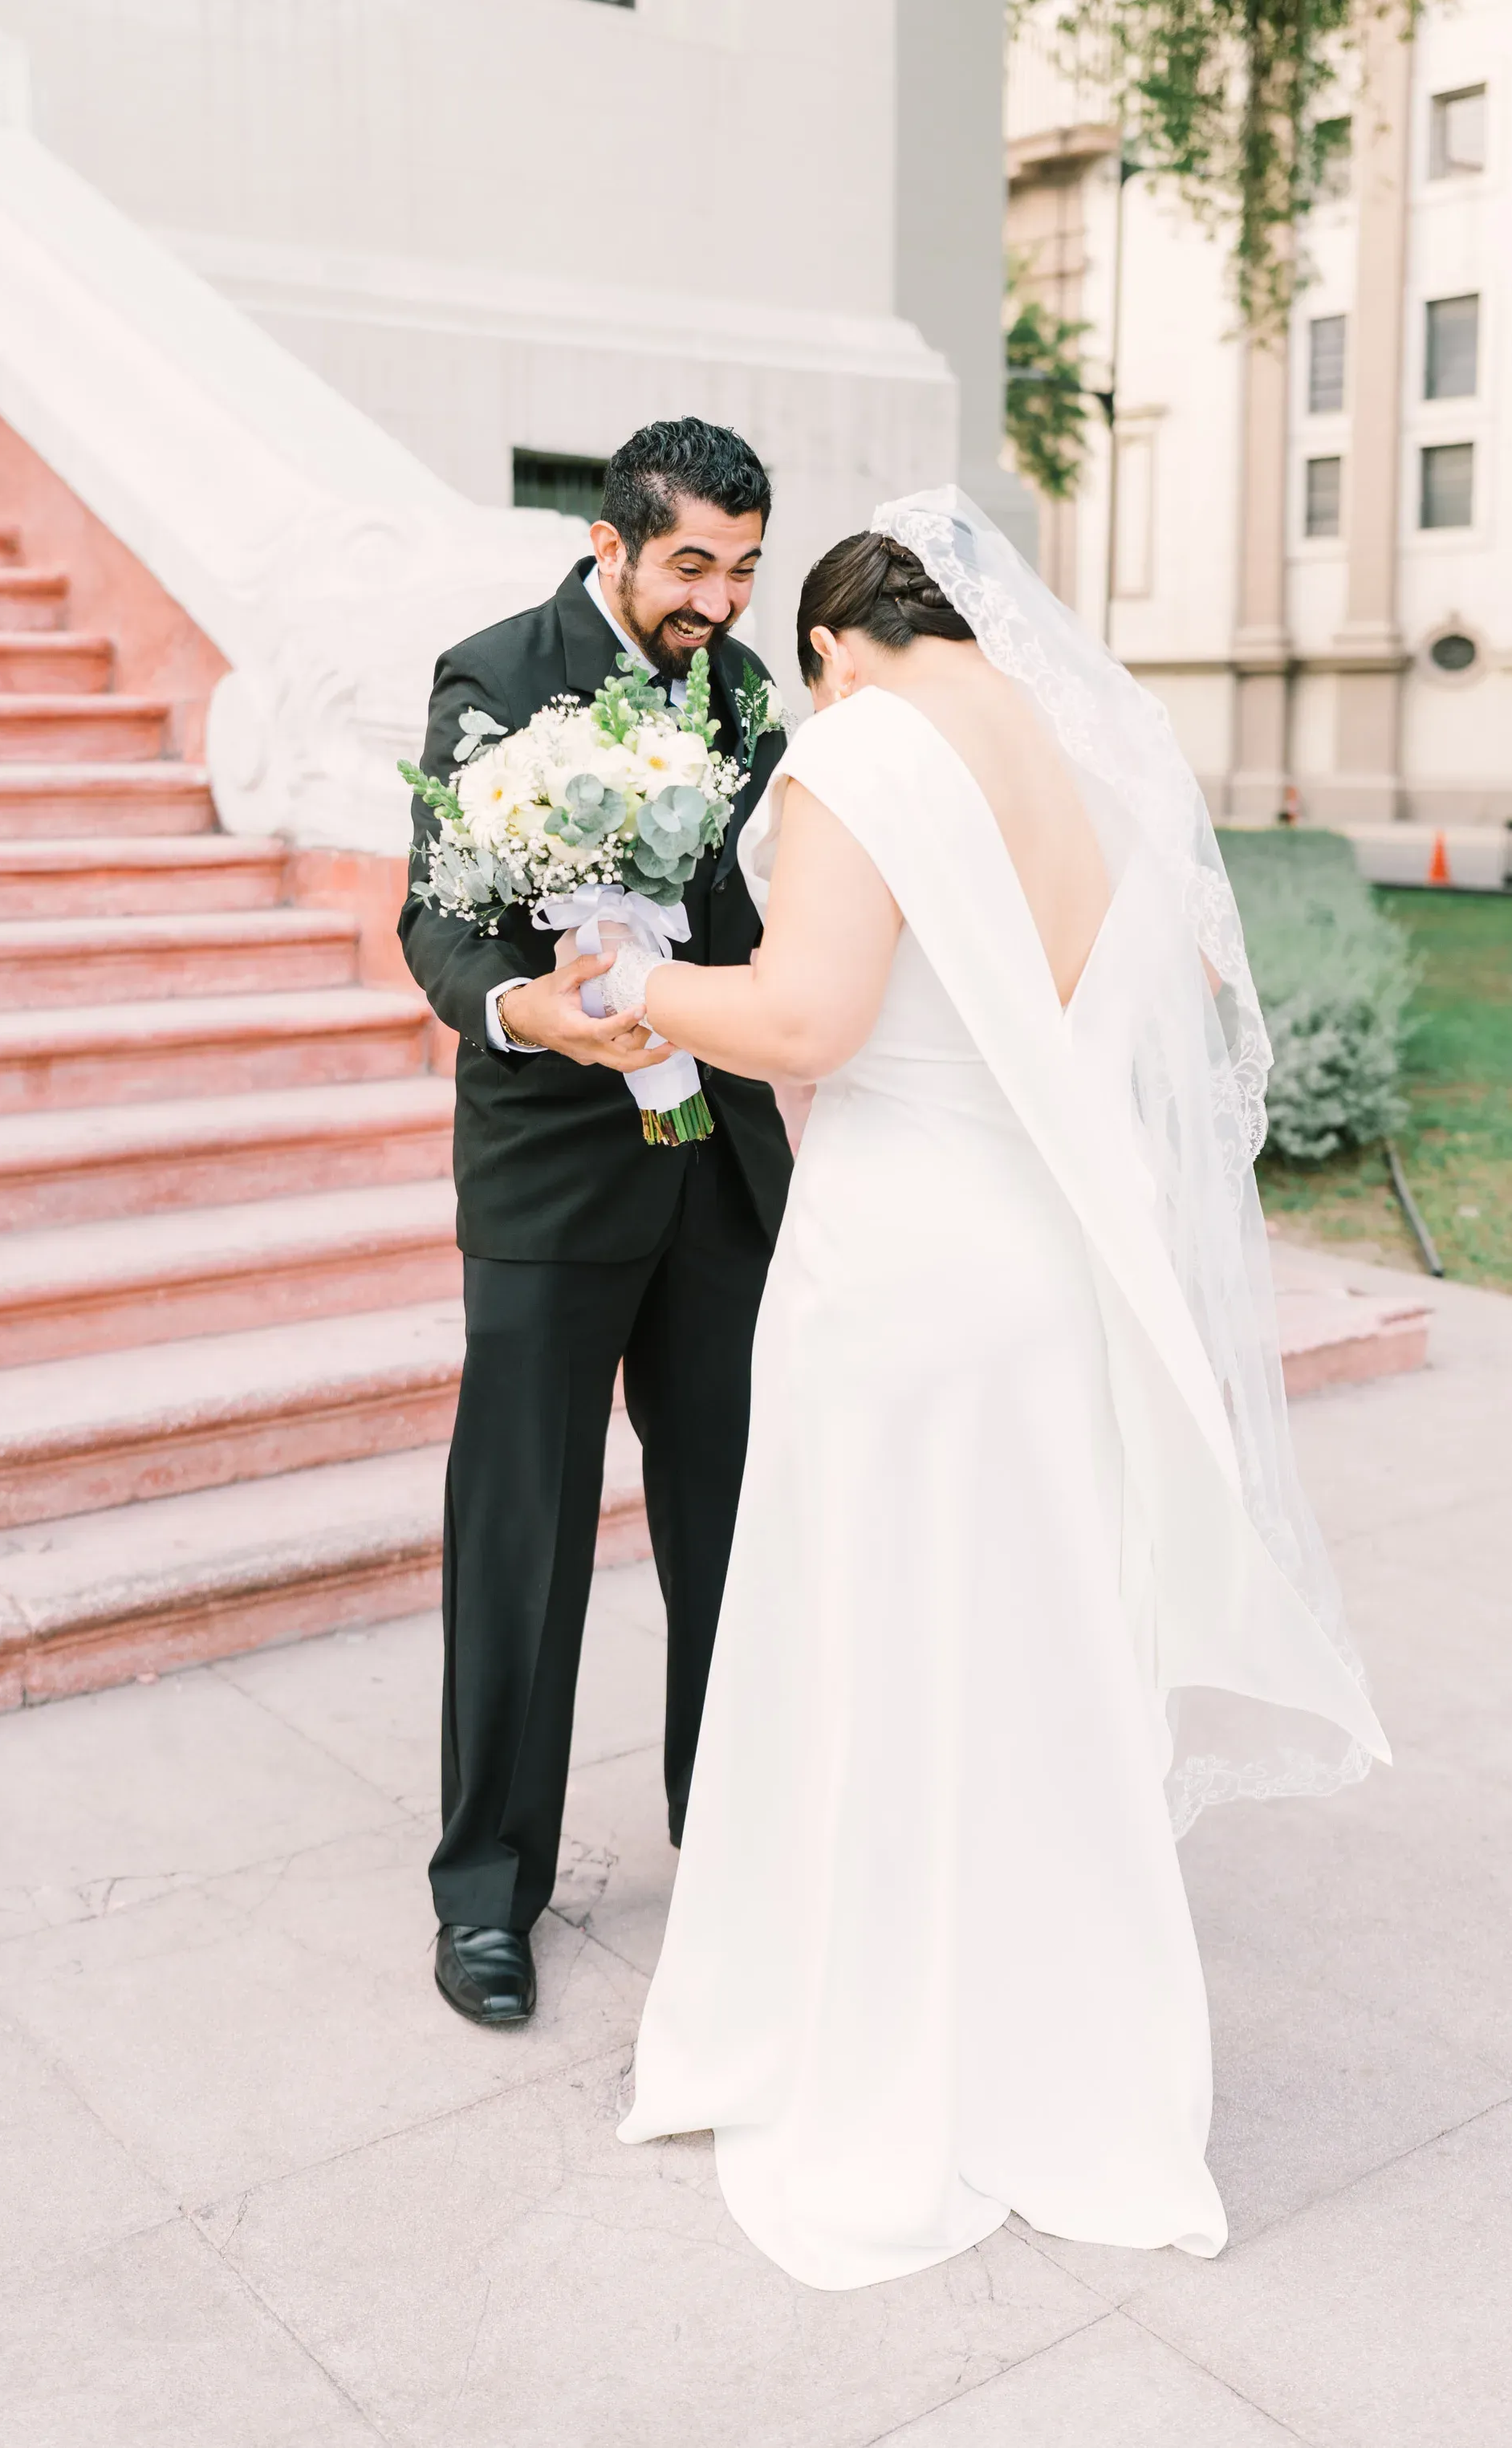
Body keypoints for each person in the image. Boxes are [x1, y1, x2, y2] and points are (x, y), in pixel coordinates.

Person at [613, 490, 1390, 2287]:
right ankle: (1073, 2066)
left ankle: (872, 2047)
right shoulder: (1094, 760)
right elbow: (1155, 1010)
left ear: (828, 647)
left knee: (877, 1651)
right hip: (1047, 1273)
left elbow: (806, 1020)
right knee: (1032, 1661)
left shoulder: (862, 751)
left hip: (897, 1267)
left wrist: (643, 980)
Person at [397, 419, 792, 2029]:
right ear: (614, 543)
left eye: (746, 567)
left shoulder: (751, 696)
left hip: (716, 1175)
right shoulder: (495, 672)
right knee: (522, 1536)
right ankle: (488, 1888)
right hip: (552, 1176)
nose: (719, 597)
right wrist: (527, 1013)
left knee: (730, 1533)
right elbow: (435, 917)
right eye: (694, 562)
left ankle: (736, 1836)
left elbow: (755, 907)